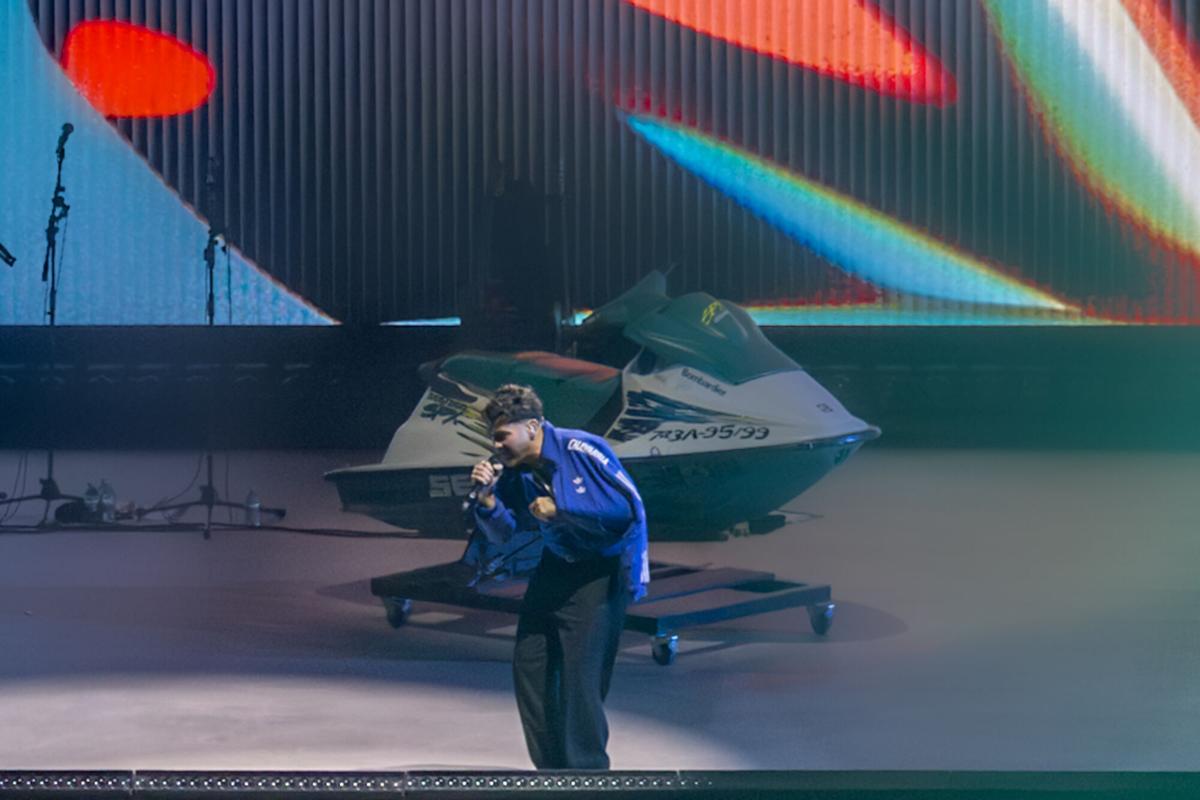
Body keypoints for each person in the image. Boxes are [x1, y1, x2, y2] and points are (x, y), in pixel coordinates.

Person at [471, 384, 649, 770]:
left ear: (532, 426)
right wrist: (487, 501)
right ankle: (551, 772)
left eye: (503, 436)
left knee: (578, 683)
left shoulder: (581, 449)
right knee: (530, 667)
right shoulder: (516, 470)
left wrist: (563, 509)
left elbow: (625, 509)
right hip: (556, 566)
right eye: (494, 438)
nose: (497, 445)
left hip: (599, 573)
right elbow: (506, 533)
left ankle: (588, 775)